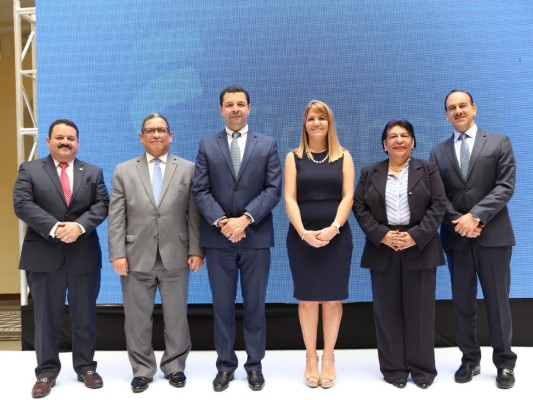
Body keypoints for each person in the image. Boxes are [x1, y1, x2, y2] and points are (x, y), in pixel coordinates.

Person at [192, 86, 282, 392]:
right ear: (220, 110)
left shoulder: (267, 144)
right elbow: (200, 190)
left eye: (240, 104)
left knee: (255, 306)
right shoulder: (207, 145)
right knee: (223, 307)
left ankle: (254, 366)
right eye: (229, 105)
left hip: (255, 237)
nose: (235, 109)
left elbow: (273, 190)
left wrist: (244, 220)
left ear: (249, 108)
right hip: (219, 240)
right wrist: (222, 222)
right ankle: (225, 366)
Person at [108, 113, 204, 393]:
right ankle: (142, 370)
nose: (156, 135)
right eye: (150, 130)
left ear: (171, 136)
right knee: (137, 319)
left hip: (177, 253)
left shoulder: (188, 168)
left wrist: (196, 249)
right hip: (135, 255)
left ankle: (175, 366)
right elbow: (117, 216)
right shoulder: (123, 170)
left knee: (176, 316)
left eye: (162, 130)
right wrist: (117, 254)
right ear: (141, 137)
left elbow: (195, 214)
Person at [13, 119, 109, 398]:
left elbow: (102, 205)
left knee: (85, 315)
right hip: (43, 255)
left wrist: (78, 226)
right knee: (45, 317)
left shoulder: (92, 171)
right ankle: (46, 372)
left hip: (83, 254)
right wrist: (56, 228)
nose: (65, 142)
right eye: (59, 137)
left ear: (78, 142)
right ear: (48, 141)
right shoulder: (29, 170)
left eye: (71, 138)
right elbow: (22, 204)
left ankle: (86, 367)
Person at [430, 90, 517, 389]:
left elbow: (505, 186)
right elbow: (438, 197)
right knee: (462, 303)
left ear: (474, 108)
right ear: (446, 115)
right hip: (457, 239)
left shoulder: (499, 142)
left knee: (497, 302)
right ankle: (469, 360)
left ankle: (505, 364)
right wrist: (459, 222)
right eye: (451, 108)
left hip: (493, 236)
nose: (458, 111)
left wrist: (476, 216)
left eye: (462, 106)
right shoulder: (437, 152)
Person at [353, 120, 446, 389]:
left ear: (413, 141)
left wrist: (414, 236)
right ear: (384, 144)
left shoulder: (427, 170)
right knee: (387, 312)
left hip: (420, 247)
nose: (399, 140)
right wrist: (382, 234)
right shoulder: (369, 172)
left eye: (405, 135)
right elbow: (359, 207)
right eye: (392, 136)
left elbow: (438, 205)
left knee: (420, 312)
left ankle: (422, 369)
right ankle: (393, 368)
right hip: (383, 248)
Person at [284, 100, 354, 389]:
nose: (316, 123)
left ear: (329, 123)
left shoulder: (344, 156)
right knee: (308, 298)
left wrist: (334, 228)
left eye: (321, 118)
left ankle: (328, 359)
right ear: (305, 123)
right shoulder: (293, 157)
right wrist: (303, 232)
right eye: (311, 118)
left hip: (336, 237)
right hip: (302, 238)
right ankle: (310, 358)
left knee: (333, 298)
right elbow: (289, 197)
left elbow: (348, 196)